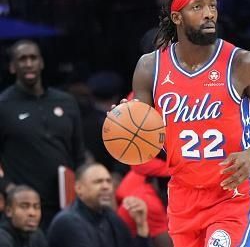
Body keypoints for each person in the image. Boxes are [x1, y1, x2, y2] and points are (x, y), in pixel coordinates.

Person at [119, 0, 250, 247]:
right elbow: (143, 132)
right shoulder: (150, 68)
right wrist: (125, 123)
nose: (209, 14)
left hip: (231, 193)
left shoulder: (241, 63)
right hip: (183, 195)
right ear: (177, 17)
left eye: (212, 6)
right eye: (197, 7)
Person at [0, 40, 86, 229]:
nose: (29, 63)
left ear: (42, 63)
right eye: (22, 59)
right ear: (13, 67)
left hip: (68, 204)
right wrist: (9, 188)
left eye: (33, 58)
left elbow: (79, 154)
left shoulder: (67, 102)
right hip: (26, 208)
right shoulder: (3, 106)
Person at [47, 162, 150, 247]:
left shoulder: (111, 217)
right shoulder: (68, 221)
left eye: (108, 181)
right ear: (79, 188)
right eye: (98, 182)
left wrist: (141, 226)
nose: (106, 186)